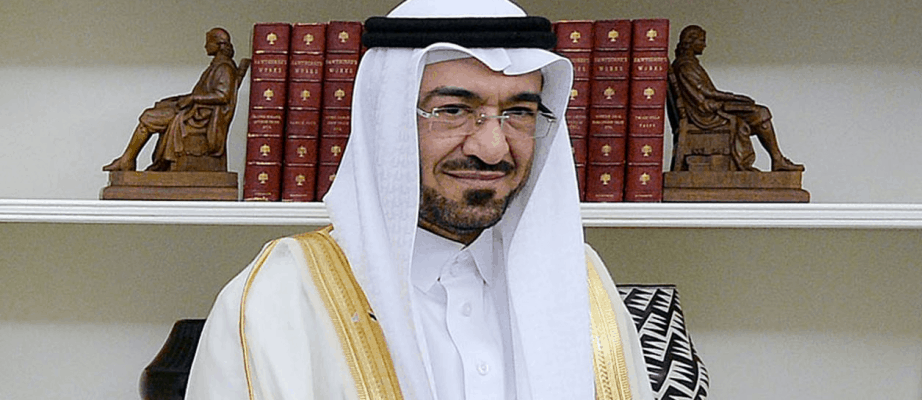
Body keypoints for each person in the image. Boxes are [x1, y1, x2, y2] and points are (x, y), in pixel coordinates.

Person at [185, 1, 654, 399]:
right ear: (386, 121)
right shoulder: (284, 296)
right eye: (453, 110)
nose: (492, 148)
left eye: (518, 112)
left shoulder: (582, 282)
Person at [103, 27, 239, 172]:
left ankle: (127, 160)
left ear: (218, 44)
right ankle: (127, 159)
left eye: (208, 42)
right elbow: (204, 93)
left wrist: (192, 98)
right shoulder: (216, 66)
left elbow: (223, 95)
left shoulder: (224, 68)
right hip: (195, 111)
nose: (205, 46)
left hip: (200, 117)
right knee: (160, 107)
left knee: (148, 117)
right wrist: (176, 99)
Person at [672, 24, 803, 172]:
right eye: (701, 40)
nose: (704, 45)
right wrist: (733, 97)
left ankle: (776, 159)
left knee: (758, 112)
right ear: (690, 41)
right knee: (761, 112)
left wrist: (734, 98)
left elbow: (707, 92)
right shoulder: (686, 66)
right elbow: (707, 92)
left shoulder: (689, 63)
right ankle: (776, 159)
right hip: (705, 115)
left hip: (708, 109)